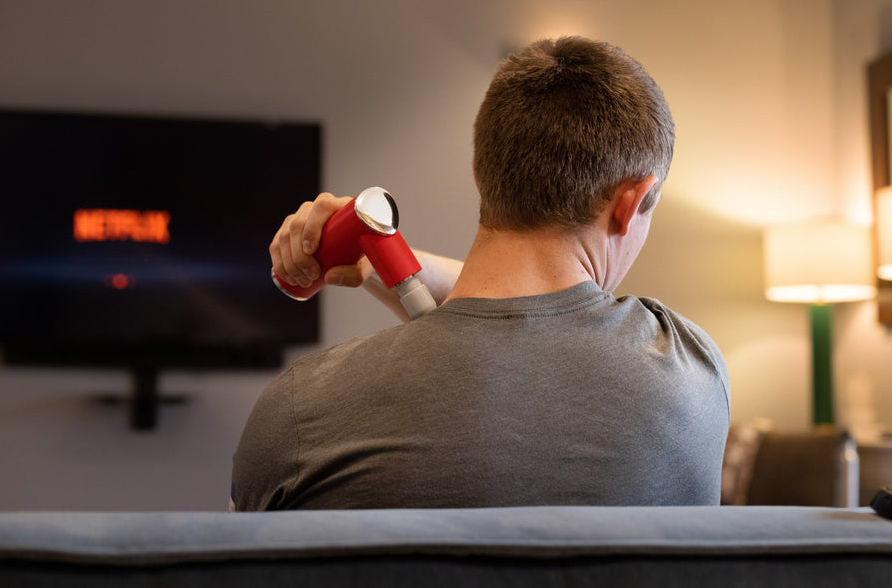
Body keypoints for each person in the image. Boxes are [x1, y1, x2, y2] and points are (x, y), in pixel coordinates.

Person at [231, 37, 730, 511]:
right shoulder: (693, 371)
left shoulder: (299, 411)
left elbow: (493, 320)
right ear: (633, 202)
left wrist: (376, 252)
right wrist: (379, 253)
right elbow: (519, 326)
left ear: (480, 175)